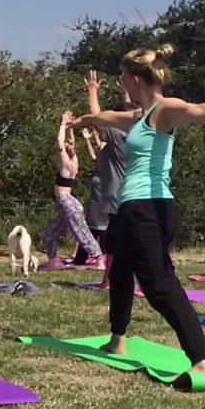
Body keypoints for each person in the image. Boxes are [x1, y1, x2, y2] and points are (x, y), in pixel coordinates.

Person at [71, 44, 205, 378]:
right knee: (120, 270)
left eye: (123, 77)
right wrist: (83, 119)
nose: (121, 83)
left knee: (158, 284)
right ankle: (117, 338)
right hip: (130, 210)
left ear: (135, 78)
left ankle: (200, 358)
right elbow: (109, 118)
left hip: (148, 209)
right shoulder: (140, 117)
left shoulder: (164, 110)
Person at [82, 71, 134, 289]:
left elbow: (97, 117)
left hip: (119, 199)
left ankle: (106, 282)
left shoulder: (115, 134)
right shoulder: (135, 132)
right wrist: (126, 91)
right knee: (132, 241)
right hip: (135, 196)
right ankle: (118, 281)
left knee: (115, 244)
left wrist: (92, 92)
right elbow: (129, 112)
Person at [44, 112, 105, 271]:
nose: (65, 146)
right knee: (50, 233)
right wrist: (71, 128)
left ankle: (100, 261)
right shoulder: (74, 161)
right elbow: (70, 142)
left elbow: (60, 142)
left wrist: (63, 123)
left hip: (66, 202)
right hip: (66, 203)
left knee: (81, 233)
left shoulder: (66, 164)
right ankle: (51, 264)